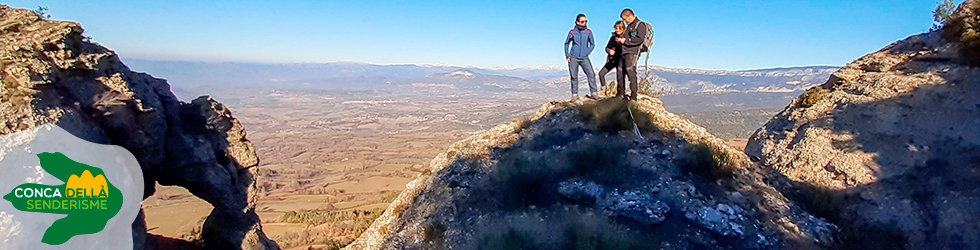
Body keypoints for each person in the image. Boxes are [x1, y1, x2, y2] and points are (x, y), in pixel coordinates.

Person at [616, 8, 649, 101]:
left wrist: (626, 41)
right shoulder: (629, 26)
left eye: (625, 19)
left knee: (631, 73)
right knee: (620, 72)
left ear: (630, 16)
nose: (624, 21)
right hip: (624, 52)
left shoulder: (640, 25)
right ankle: (620, 93)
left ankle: (633, 96)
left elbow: (639, 39)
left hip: (632, 53)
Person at [564, 13, 598, 100]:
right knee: (574, 76)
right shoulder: (572, 32)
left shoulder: (588, 32)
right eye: (582, 21)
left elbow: (593, 44)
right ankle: (575, 95)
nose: (585, 23)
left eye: (586, 21)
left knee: (591, 74)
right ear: (577, 22)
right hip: (573, 57)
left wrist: (586, 52)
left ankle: (594, 93)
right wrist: (567, 55)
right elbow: (566, 43)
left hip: (584, 58)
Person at [598, 21, 626, 97]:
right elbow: (606, 48)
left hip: (621, 60)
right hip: (612, 60)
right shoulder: (613, 38)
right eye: (616, 28)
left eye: (619, 28)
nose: (617, 30)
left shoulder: (626, 37)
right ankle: (604, 89)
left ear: (623, 28)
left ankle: (621, 93)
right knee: (601, 74)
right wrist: (609, 51)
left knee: (620, 77)